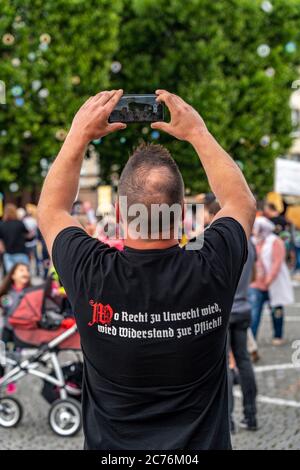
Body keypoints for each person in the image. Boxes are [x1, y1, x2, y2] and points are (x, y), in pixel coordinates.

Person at [37, 89, 256, 450]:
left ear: (120, 215)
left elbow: (51, 210)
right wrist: (198, 132)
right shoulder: (211, 265)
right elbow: (240, 202)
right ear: (182, 213)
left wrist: (78, 135)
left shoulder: (90, 270)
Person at [249, 216, 294, 345]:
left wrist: (268, 280)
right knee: (254, 313)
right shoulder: (253, 241)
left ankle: (278, 336)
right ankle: (252, 342)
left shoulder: (275, 241)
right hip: (256, 284)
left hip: (274, 283)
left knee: (277, 311)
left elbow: (277, 263)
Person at [228, 238, 257, 432]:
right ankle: (251, 415)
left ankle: (227, 420)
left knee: (223, 367)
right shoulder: (250, 243)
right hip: (243, 307)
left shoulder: (220, 240)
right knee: (244, 361)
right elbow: (253, 276)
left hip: (225, 310)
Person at [0, 263, 31, 346]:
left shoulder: (31, 292)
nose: (26, 272)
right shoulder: (7, 293)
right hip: (8, 329)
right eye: (21, 270)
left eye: (27, 270)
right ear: (13, 276)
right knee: (5, 353)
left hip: (24, 330)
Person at [0, 204, 30, 273]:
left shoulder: (2, 225)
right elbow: (28, 234)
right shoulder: (19, 223)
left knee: (11, 275)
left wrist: (3, 250)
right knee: (23, 273)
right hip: (21, 252)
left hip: (8, 253)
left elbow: (0, 241)